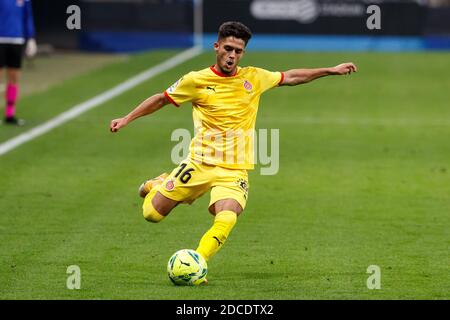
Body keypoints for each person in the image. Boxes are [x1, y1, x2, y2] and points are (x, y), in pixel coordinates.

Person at [110, 21, 357, 283]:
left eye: (238, 51)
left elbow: (291, 76)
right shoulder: (196, 80)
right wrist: (127, 118)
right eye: (228, 48)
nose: (232, 55)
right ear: (216, 46)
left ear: (243, 53)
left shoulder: (253, 77)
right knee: (151, 215)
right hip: (199, 163)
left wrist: (330, 70)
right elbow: (161, 98)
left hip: (234, 169)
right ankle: (157, 183)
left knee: (227, 216)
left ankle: (198, 262)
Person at [0, 0, 37, 126]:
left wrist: (31, 38)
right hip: (0, 39)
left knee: (14, 78)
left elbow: (28, 17)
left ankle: (9, 114)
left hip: (17, 40)